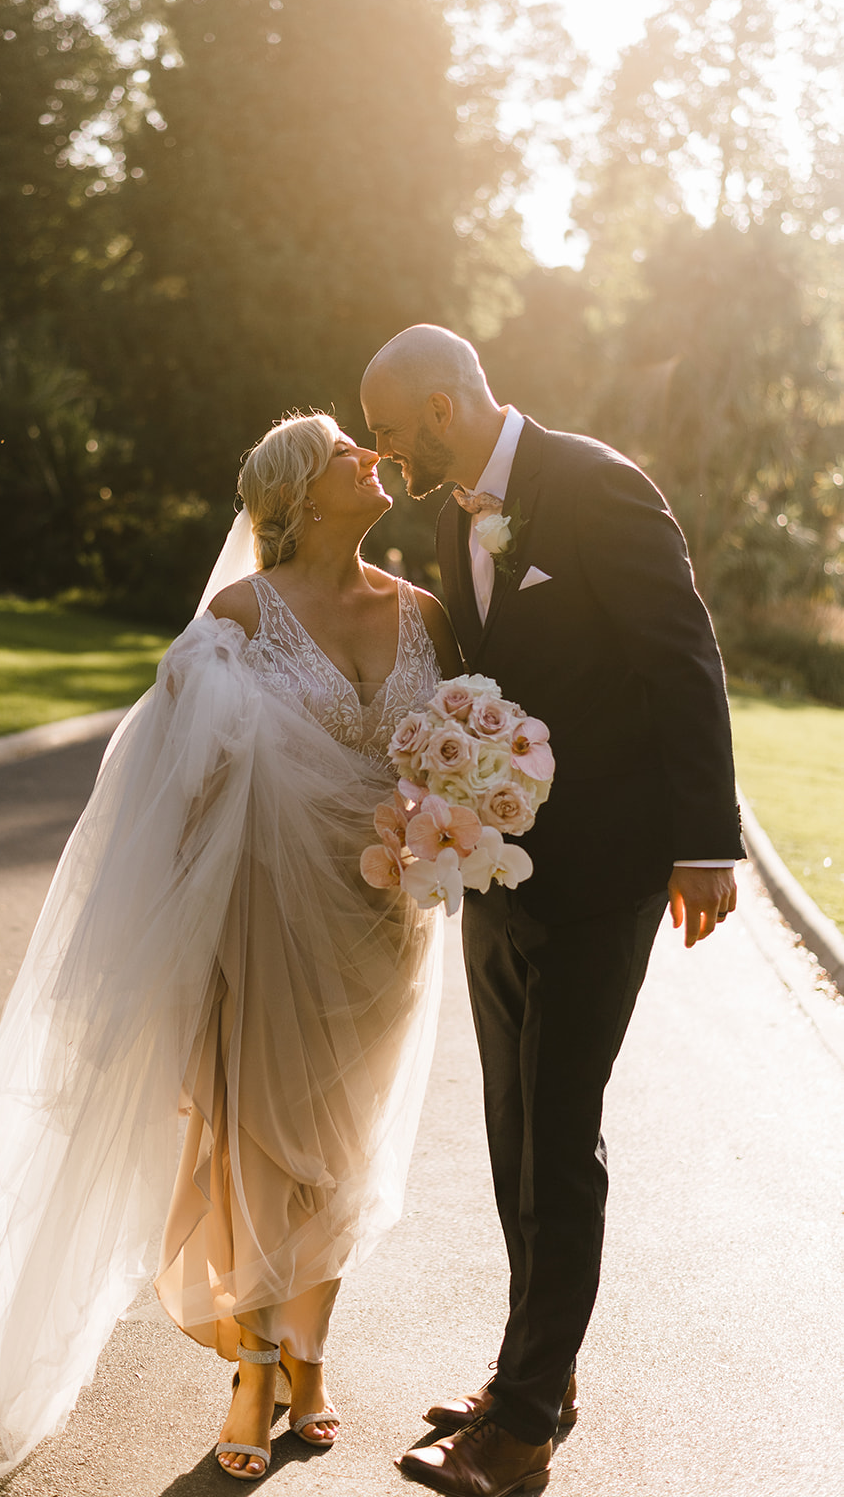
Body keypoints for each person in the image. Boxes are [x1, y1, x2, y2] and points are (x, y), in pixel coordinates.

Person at [0, 412, 462, 1484]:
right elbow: (172, 781)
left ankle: (309, 1357)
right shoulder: (236, 617)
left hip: (382, 928)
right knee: (253, 1145)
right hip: (254, 921)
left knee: (342, 1149)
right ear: (297, 497)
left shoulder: (428, 614)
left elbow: (458, 748)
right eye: (342, 448)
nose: (366, 454)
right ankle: (251, 1372)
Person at [360, 326, 743, 1497]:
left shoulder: (595, 483)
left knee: (557, 1140)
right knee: (510, 1136)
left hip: (608, 867)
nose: (381, 457)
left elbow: (681, 652)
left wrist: (703, 841)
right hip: (500, 872)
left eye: (384, 431)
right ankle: (537, 1368)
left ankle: (520, 1430)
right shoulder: (447, 516)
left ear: (437, 406)